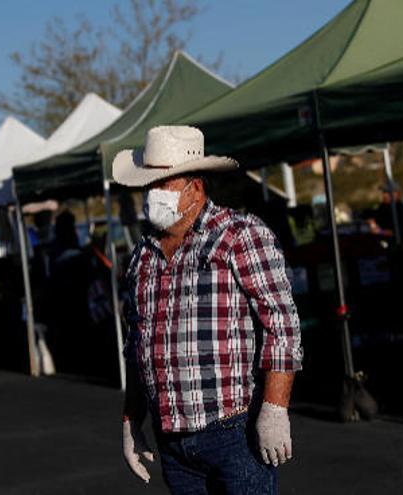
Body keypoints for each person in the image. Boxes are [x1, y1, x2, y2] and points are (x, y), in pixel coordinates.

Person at [114, 126, 303, 494]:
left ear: (195, 188)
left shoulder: (239, 235)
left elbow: (281, 323)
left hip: (233, 431)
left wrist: (275, 408)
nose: (151, 195)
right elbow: (136, 343)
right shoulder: (143, 256)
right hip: (171, 439)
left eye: (162, 184)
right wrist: (131, 420)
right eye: (148, 186)